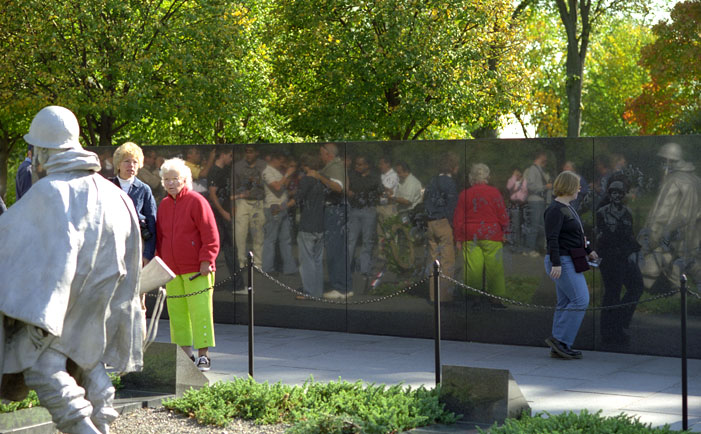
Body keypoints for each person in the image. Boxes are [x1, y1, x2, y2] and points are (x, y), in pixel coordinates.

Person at [0, 105, 143, 434]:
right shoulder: (115, 194)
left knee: (42, 367)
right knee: (88, 363)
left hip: (59, 309)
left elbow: (7, 241)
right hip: (96, 308)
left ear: (44, 151)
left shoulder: (50, 192)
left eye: (35, 149)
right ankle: (103, 423)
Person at [156, 158, 220, 372]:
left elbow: (210, 234)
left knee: (201, 312)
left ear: (185, 179)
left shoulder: (197, 201)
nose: (171, 183)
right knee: (177, 314)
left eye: (175, 178)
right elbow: (160, 238)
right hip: (172, 271)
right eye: (166, 179)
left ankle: (204, 356)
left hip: (197, 269)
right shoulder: (164, 205)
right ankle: (185, 355)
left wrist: (207, 260)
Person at [543, 170, 598, 360]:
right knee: (580, 299)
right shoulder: (555, 210)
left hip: (568, 259)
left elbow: (576, 235)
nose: (579, 189)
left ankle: (561, 345)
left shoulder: (568, 207)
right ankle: (559, 340)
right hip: (562, 262)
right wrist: (556, 263)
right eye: (577, 185)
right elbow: (552, 239)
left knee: (566, 301)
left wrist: (588, 250)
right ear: (568, 187)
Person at [637, 142, 701, 292]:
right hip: (693, 237)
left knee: (664, 264)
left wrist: (648, 241)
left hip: (672, 236)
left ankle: (679, 299)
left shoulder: (673, 181)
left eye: (663, 161)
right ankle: (680, 301)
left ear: (667, 160)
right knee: (687, 267)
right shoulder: (696, 180)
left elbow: (660, 215)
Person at [453, 163, 509, 309]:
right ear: (487, 176)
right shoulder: (494, 192)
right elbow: (502, 213)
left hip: (470, 235)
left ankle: (474, 298)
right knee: (495, 267)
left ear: (472, 177)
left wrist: (458, 238)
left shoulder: (464, 194)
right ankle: (495, 299)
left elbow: (458, 219)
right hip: (492, 233)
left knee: (473, 267)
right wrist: (505, 231)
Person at [596, 181, 643, 345]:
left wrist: (634, 248)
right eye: (614, 193)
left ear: (623, 195)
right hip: (609, 259)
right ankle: (609, 332)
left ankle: (620, 322)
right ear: (610, 194)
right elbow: (601, 237)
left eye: (620, 193)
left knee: (637, 286)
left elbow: (630, 235)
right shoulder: (602, 212)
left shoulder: (627, 212)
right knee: (612, 294)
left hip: (624, 257)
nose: (617, 196)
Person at [306, 143, 348, 299]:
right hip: (335, 210)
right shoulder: (335, 166)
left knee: (334, 250)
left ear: (328, 154)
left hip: (335, 210)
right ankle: (344, 286)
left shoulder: (334, 167)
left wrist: (319, 177)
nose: (320, 157)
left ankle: (339, 288)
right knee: (338, 250)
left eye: (321, 154)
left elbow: (338, 187)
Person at [110, 142, 158, 264]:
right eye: (127, 161)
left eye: (135, 162)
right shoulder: (107, 186)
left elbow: (152, 223)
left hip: (136, 246)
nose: (131, 165)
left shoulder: (144, 189)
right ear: (118, 164)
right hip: (110, 247)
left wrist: (147, 254)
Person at [423, 152, 459, 302]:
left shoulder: (432, 181)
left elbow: (425, 200)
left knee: (433, 261)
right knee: (447, 261)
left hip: (430, 222)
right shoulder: (450, 183)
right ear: (453, 167)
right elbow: (452, 207)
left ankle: (434, 296)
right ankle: (444, 297)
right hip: (444, 222)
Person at [207, 148, 245, 293]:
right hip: (219, 216)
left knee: (229, 248)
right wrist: (223, 212)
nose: (231, 158)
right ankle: (237, 283)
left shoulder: (226, 170)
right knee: (223, 248)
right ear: (222, 154)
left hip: (225, 213)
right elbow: (212, 194)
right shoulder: (215, 171)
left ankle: (238, 283)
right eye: (229, 155)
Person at [347, 155, 384, 292]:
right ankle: (347, 267)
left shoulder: (374, 177)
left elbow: (378, 191)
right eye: (356, 164)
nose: (358, 167)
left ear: (367, 165)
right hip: (355, 209)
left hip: (368, 210)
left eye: (361, 165)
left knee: (367, 241)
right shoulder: (352, 176)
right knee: (351, 240)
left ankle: (364, 268)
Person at [294, 153, 326, 299]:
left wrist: (282, 207)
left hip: (308, 223)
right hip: (321, 223)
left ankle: (308, 291)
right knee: (318, 260)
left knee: (306, 259)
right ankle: (317, 290)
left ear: (305, 166)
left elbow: (297, 199)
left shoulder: (306, 180)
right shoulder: (322, 180)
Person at [261, 151, 298, 276]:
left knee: (285, 239)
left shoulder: (278, 172)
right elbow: (276, 187)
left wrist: (288, 175)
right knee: (271, 239)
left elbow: (284, 185)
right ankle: (267, 267)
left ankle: (289, 267)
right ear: (275, 160)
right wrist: (287, 174)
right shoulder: (267, 171)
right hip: (273, 207)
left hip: (283, 207)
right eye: (281, 162)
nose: (282, 165)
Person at [233, 145, 266, 267]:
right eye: (246, 152)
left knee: (258, 234)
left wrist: (256, 180)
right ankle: (241, 263)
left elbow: (268, 183)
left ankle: (258, 263)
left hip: (258, 201)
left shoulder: (263, 166)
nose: (248, 154)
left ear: (256, 153)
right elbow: (233, 185)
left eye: (251, 152)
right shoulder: (238, 166)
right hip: (242, 201)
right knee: (240, 234)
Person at [523, 151, 552, 257]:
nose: (546, 158)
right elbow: (530, 186)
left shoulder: (540, 170)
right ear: (540, 156)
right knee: (534, 225)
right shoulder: (532, 169)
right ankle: (529, 249)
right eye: (544, 156)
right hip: (535, 201)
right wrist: (545, 187)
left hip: (540, 201)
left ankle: (536, 248)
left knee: (541, 226)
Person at [505, 166, 528, 249]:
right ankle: (512, 241)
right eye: (515, 174)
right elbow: (508, 187)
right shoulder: (511, 181)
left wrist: (522, 182)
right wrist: (514, 177)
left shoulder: (524, 181)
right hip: (512, 204)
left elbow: (525, 192)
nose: (517, 175)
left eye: (518, 174)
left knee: (519, 225)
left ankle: (518, 243)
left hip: (521, 205)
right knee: (511, 224)